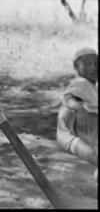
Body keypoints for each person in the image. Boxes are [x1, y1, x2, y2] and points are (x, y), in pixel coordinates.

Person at [56, 47, 98, 180]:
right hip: (69, 136)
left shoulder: (91, 86)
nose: (93, 67)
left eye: (96, 63)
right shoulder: (81, 82)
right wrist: (79, 110)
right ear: (76, 67)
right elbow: (69, 97)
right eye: (86, 63)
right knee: (91, 154)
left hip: (84, 135)